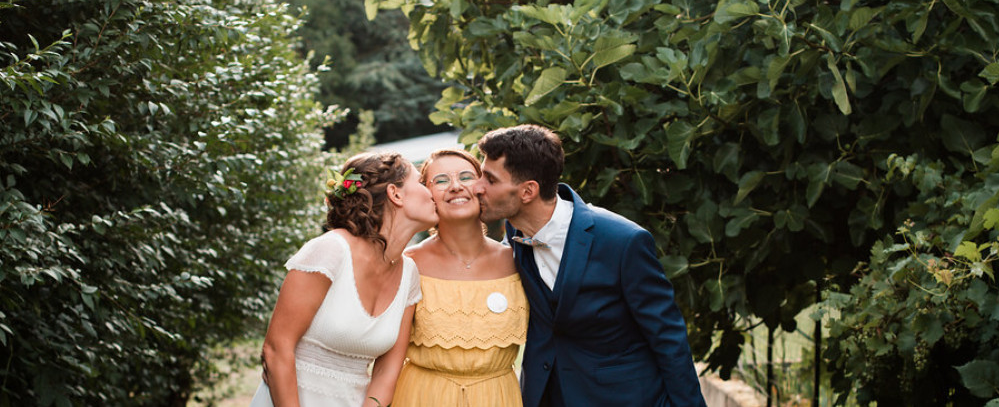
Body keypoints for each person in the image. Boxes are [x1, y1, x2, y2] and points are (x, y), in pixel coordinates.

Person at [473, 125, 706, 407]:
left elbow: (668, 338)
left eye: (490, 179)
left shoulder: (623, 241)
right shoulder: (513, 233)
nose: (477, 187)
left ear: (528, 191)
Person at [250, 151, 438, 407]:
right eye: (422, 183)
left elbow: (387, 372)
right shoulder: (330, 250)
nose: (432, 192)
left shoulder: (409, 274)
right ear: (396, 194)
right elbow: (275, 350)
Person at [392, 149, 529, 406]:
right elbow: (389, 357)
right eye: (441, 181)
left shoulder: (519, 261)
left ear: (483, 187)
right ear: (427, 193)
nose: (455, 187)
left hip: (497, 397)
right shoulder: (407, 263)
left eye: (466, 177)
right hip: (422, 396)